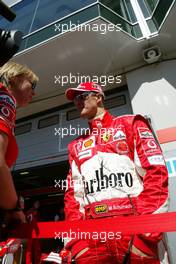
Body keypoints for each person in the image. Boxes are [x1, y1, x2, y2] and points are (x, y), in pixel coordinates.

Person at [63, 82, 169, 263]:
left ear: (98, 97)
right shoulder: (76, 145)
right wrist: (77, 244)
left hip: (135, 234)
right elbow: (73, 196)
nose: (78, 102)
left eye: (82, 97)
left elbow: (156, 174)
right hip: (93, 242)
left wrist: (146, 233)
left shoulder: (131, 123)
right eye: (75, 100)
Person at [0, 61, 38, 227]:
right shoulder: (5, 97)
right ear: (15, 78)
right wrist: (13, 207)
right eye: (32, 85)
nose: (34, 93)